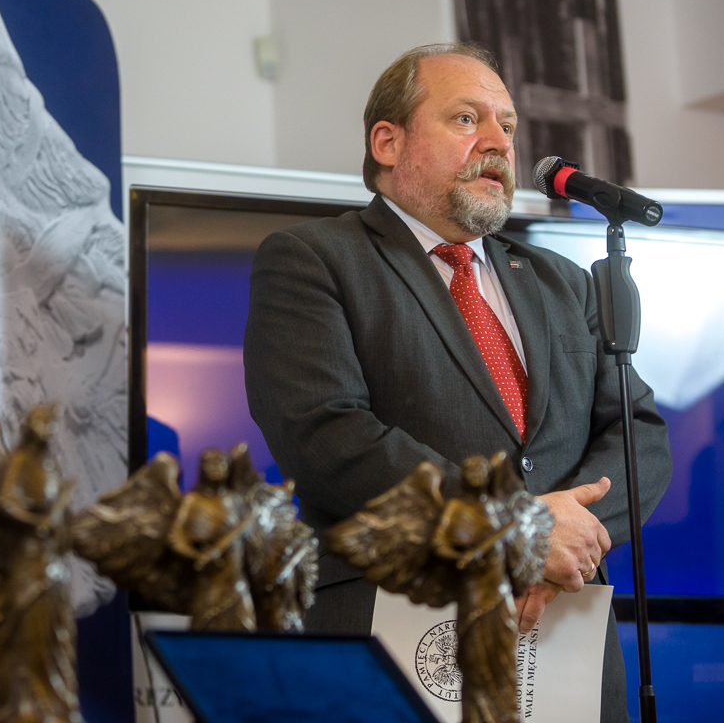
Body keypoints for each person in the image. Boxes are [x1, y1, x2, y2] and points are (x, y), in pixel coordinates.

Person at [243, 42, 672, 722]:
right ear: (388, 142)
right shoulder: (315, 259)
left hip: (564, 633)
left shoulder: (562, 281)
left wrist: (570, 540)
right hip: (395, 626)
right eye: (467, 119)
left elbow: (637, 435)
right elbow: (324, 433)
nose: (498, 142)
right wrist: (515, 528)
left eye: (507, 124)